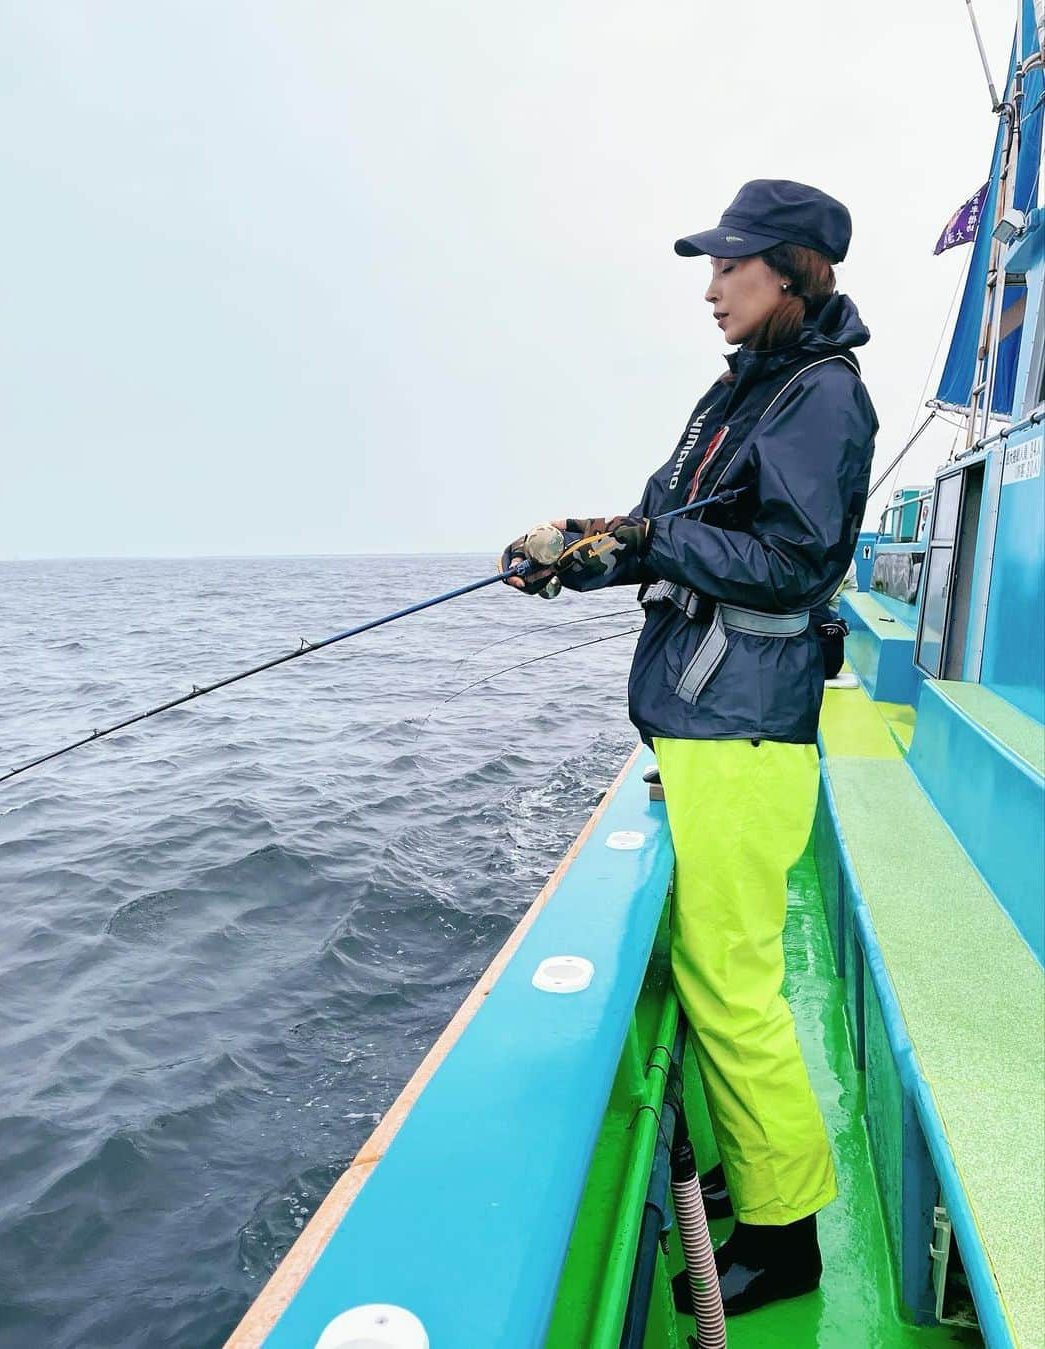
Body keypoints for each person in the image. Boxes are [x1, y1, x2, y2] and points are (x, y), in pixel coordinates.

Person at [502, 180, 877, 1317]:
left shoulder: (818, 397)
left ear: (793, 273)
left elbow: (794, 562)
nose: (711, 288)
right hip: (709, 727)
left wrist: (655, 535)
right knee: (721, 978)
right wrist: (587, 548)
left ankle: (787, 1235)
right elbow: (685, 527)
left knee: (736, 986)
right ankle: (752, 1173)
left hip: (746, 731)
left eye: (732, 265)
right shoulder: (741, 394)